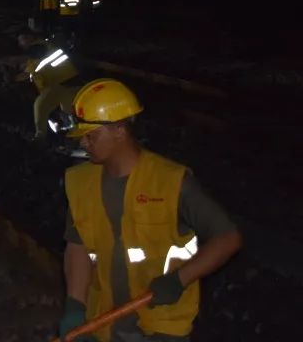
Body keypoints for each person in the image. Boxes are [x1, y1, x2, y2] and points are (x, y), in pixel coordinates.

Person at [59, 79, 242, 342]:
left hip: (161, 325)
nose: (83, 144)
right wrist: (75, 306)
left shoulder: (170, 182)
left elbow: (227, 237)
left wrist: (179, 279)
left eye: (91, 136)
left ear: (119, 130)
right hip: (105, 320)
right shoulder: (81, 182)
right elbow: (77, 245)